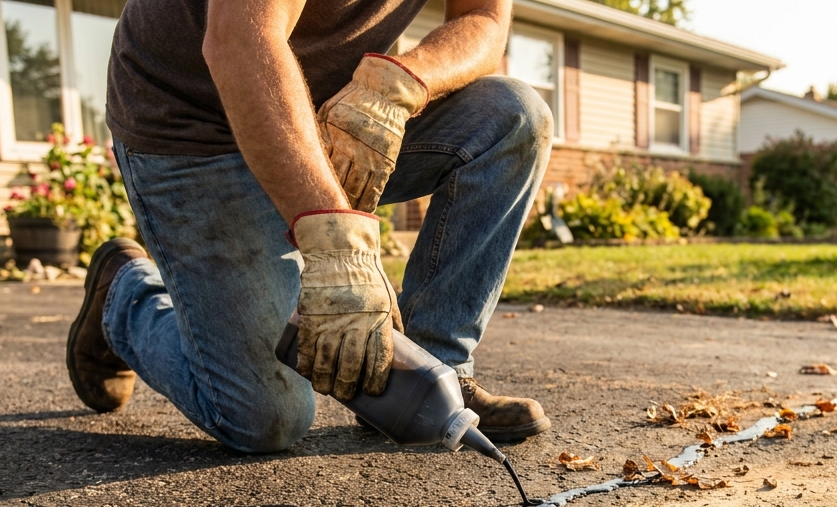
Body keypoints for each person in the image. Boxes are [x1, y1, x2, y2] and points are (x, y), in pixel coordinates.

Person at [65, 0, 552, 452]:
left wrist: (399, 84)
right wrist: (337, 248)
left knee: (512, 116)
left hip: (336, 109)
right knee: (265, 420)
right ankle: (123, 297)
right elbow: (240, 41)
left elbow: (484, 21)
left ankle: (425, 373)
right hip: (194, 128)